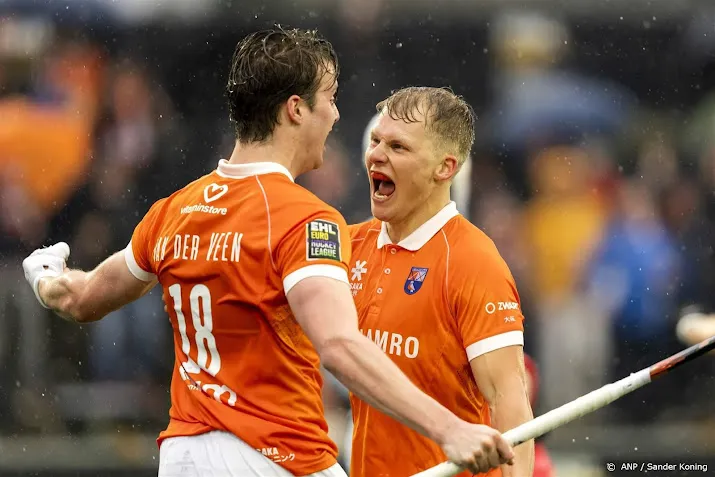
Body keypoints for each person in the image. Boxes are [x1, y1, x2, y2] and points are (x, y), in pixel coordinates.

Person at [21, 28, 515, 477]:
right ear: (296, 109)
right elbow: (339, 346)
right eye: (331, 98)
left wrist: (45, 277)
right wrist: (450, 429)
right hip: (273, 457)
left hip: (181, 458)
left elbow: (80, 299)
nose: (336, 115)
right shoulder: (307, 219)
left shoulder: (174, 210)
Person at [348, 86, 534, 476]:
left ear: (445, 168)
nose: (376, 154)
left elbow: (509, 404)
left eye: (398, 147)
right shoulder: (349, 246)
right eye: (376, 141)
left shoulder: (474, 261)